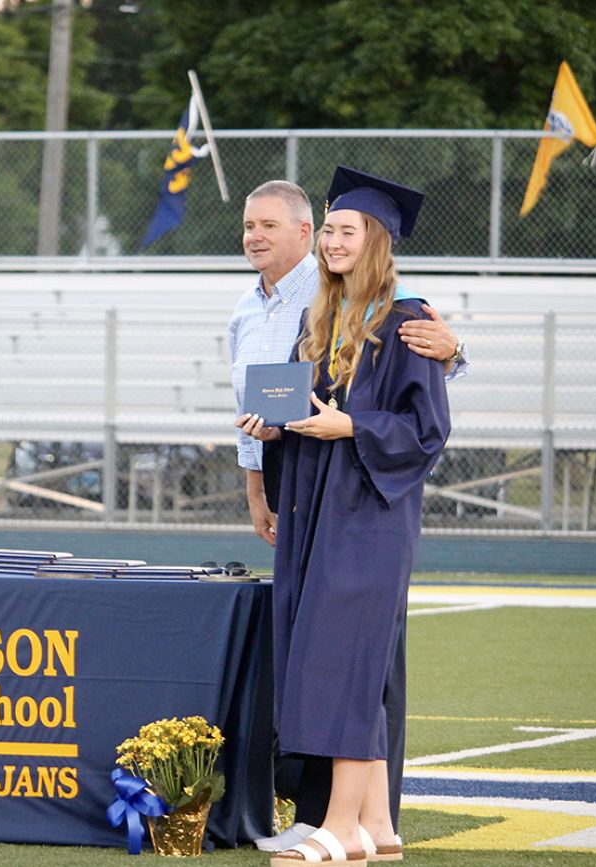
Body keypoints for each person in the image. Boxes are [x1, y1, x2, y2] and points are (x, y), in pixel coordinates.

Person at [229, 180, 466, 851]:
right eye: (330, 229)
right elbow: (311, 413)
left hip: (370, 514)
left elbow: (425, 430)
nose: (334, 241)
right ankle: (376, 827)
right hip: (318, 509)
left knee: (346, 664)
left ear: (377, 241)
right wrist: (278, 431)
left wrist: (349, 426)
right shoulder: (325, 318)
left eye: (345, 231)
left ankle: (338, 828)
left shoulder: (406, 315)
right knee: (348, 661)